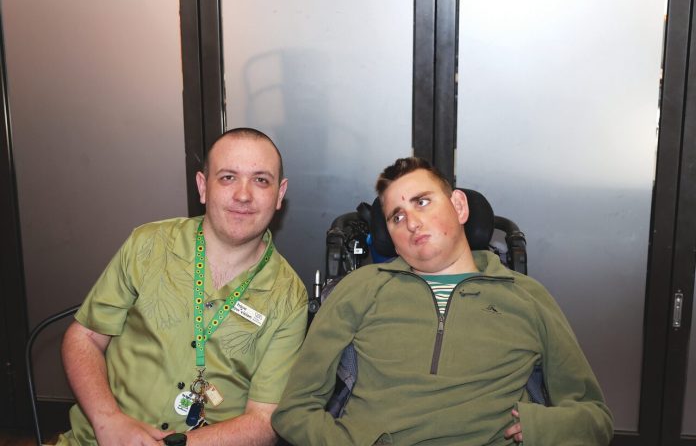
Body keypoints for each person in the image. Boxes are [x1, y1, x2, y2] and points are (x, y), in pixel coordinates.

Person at [271, 157, 613, 445]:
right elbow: (294, 411)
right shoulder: (360, 289)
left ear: (459, 206)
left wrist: (541, 427)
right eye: (397, 217)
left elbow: (594, 417)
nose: (412, 222)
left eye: (422, 202)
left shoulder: (525, 295)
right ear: (390, 236)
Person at [58, 128, 308, 446]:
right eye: (228, 177)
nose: (243, 195)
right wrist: (108, 421)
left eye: (261, 180)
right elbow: (85, 338)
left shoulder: (289, 297)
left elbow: (264, 421)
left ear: (279, 194)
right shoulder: (148, 245)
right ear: (203, 187)